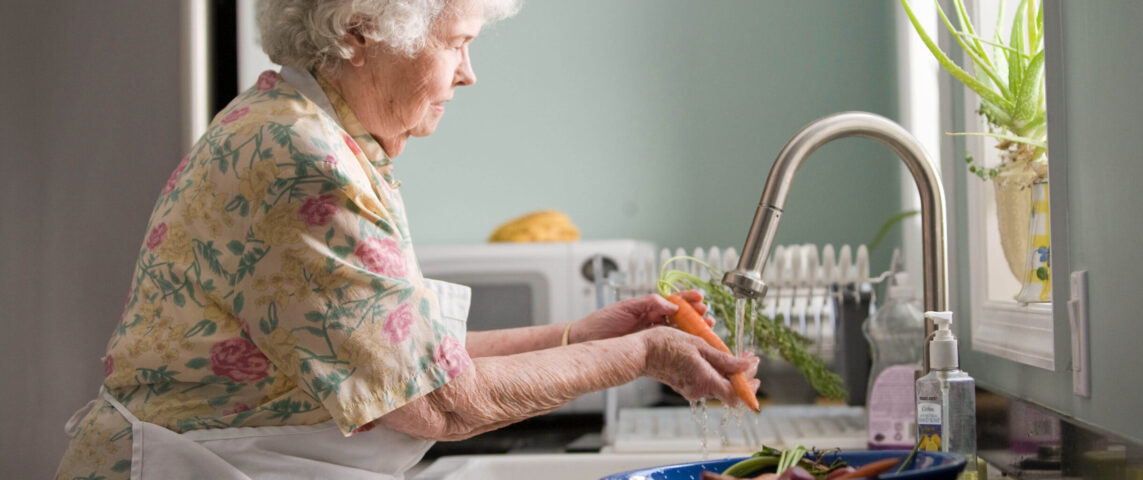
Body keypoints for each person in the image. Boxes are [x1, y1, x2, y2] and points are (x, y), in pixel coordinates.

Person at [56, 0, 760, 478]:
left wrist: (584, 335)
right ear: (360, 30)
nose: (468, 72)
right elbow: (441, 401)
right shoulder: (303, 161)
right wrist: (642, 353)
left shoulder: (308, 130)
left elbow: (404, 362)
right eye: (456, 42)